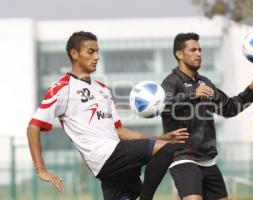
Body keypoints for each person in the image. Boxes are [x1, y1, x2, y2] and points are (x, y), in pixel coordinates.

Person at [27, 31, 189, 200]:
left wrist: (159, 137)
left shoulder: (103, 89)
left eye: (97, 51)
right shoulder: (61, 89)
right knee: (166, 149)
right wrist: (41, 170)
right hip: (104, 156)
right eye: (91, 51)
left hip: (115, 161)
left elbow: (120, 132)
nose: (97, 56)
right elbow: (33, 127)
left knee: (160, 150)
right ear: (74, 54)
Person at [161, 32, 253, 200]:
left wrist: (251, 92)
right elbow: (164, 106)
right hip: (183, 158)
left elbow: (229, 109)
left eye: (200, 50)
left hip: (208, 160)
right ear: (179, 54)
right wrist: (193, 95)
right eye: (193, 50)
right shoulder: (171, 82)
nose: (199, 54)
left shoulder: (205, 83)